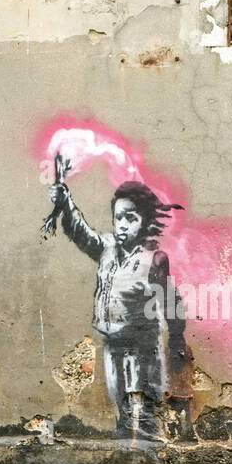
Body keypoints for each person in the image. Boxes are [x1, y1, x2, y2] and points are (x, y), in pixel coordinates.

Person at [49, 176, 191, 441]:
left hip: (144, 341)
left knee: (148, 401)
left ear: (146, 221)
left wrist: (177, 338)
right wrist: (65, 203)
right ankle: (127, 447)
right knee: (119, 398)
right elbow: (81, 233)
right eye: (118, 218)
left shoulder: (154, 258)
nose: (122, 225)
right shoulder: (106, 247)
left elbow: (171, 298)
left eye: (130, 218)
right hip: (112, 340)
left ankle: (152, 449)